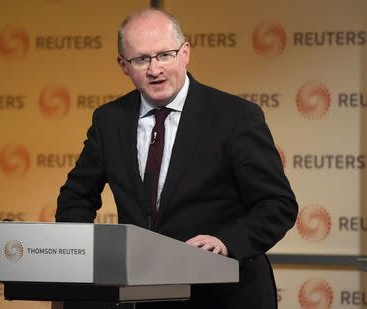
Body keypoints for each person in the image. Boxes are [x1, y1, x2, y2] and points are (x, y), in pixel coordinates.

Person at [56, 8, 298, 309]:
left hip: (224, 295)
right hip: (141, 296)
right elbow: (76, 197)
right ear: (123, 65)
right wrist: (84, 255)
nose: (154, 69)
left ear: (185, 53)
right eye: (141, 59)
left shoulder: (235, 117)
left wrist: (226, 242)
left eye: (165, 55)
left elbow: (277, 204)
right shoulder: (109, 120)